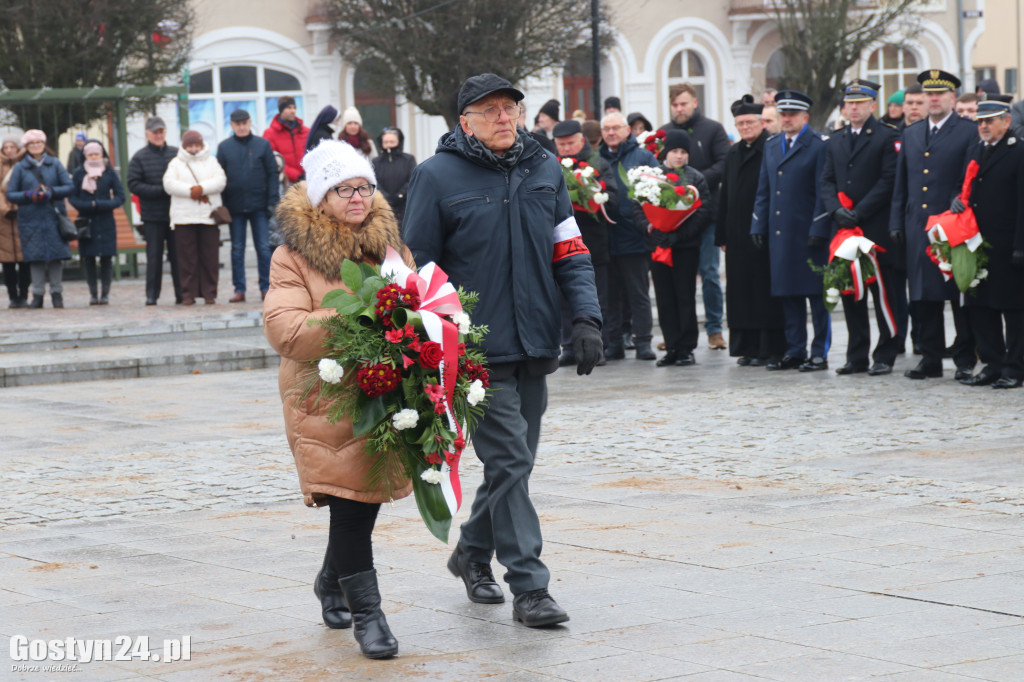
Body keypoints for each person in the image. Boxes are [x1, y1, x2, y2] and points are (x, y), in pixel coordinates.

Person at [403, 73, 602, 628]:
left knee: (515, 465)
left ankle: (471, 551)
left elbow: (571, 250)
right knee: (510, 459)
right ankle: (530, 588)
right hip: (473, 350)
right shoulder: (435, 176)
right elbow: (418, 270)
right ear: (463, 120)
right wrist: (433, 343)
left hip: (536, 339)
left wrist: (586, 316)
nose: (502, 117)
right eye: (488, 109)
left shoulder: (545, 168)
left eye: (510, 108)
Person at [264, 139, 411, 659]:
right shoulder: (292, 255)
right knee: (351, 505)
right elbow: (285, 330)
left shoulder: (388, 246)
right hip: (325, 397)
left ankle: (331, 580)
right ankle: (368, 616)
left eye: (365, 186)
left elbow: (414, 302)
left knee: (362, 502)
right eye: (345, 188)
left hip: (384, 390)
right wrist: (359, 311)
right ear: (322, 196)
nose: (358, 197)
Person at [890, 69, 978, 380]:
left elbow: (971, 174)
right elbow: (902, 183)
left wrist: (960, 198)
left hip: (952, 227)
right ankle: (930, 357)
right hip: (917, 226)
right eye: (929, 94)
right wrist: (896, 221)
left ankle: (965, 358)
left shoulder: (967, 131)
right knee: (923, 296)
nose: (934, 99)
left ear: (953, 98)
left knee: (958, 295)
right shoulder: (912, 133)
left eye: (940, 94)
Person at [820, 80, 901, 376]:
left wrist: (859, 211)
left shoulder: (885, 137)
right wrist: (836, 210)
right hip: (844, 228)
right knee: (850, 292)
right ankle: (857, 355)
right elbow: (826, 180)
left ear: (872, 105)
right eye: (849, 103)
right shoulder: (837, 138)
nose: (853, 108)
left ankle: (886, 353)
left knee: (882, 294)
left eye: (860, 102)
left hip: (874, 228)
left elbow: (888, 180)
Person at [751, 90, 831, 371]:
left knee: (818, 297)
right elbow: (764, 190)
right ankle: (795, 349)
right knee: (788, 295)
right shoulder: (772, 145)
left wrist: (820, 226)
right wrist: (758, 224)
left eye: (792, 114)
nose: (786, 119)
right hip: (781, 234)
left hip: (809, 233)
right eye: (783, 114)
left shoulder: (819, 145)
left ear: (805, 117)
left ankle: (819, 352)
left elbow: (824, 191)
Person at [953, 96, 1024, 388]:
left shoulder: (1018, 151)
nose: (983, 126)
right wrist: (955, 202)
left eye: (989, 121)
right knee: (980, 307)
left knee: (1014, 309)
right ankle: (992, 363)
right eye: (980, 121)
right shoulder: (974, 150)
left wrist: (1021, 245)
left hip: (1008, 243)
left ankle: (1015, 367)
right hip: (975, 244)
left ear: (1006, 122)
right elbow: (963, 189)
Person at [658, 83, 731, 350]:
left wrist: (692, 185)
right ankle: (673, 331)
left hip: (706, 214)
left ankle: (714, 329)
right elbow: (657, 167)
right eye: (675, 104)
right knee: (674, 278)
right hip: (672, 219)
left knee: (709, 272)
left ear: (695, 103)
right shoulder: (665, 132)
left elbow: (724, 164)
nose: (679, 109)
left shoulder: (713, 129)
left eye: (684, 104)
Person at [715, 95, 786, 366]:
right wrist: (721, 234)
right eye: (739, 123)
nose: (744, 127)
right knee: (740, 292)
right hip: (736, 234)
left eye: (749, 122)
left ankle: (768, 347)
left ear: (761, 123)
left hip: (763, 232)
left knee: (762, 291)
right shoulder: (733, 153)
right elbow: (726, 196)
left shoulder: (771, 147)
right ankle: (747, 347)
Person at [633, 129, 712, 367]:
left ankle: (686, 348)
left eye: (683, 152)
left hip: (685, 247)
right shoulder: (652, 177)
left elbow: (703, 211)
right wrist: (651, 228)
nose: (679, 156)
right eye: (675, 151)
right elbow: (638, 205)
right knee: (665, 298)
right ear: (666, 152)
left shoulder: (695, 178)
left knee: (685, 296)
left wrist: (678, 235)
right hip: (658, 246)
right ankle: (671, 346)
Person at [552, 119, 616, 363]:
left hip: (593, 242)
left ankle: (598, 347)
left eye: (570, 143)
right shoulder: (551, 165)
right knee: (563, 299)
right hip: (561, 245)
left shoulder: (598, 164)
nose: (566, 148)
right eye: (561, 144)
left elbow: (612, 200)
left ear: (581, 140)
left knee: (596, 298)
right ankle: (569, 347)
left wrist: (588, 197)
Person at [600, 110, 659, 360]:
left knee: (638, 293)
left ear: (627, 130)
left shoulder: (643, 156)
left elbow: (657, 188)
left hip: (634, 237)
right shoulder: (596, 160)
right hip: (606, 238)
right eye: (607, 129)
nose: (611, 133)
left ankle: (643, 341)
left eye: (616, 128)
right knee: (610, 295)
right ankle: (614, 342)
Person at [5, 130, 73, 309]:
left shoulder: (55, 163)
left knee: (56, 257)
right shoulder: (20, 167)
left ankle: (57, 293)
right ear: (26, 147)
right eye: (32, 143)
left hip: (53, 216)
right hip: (30, 218)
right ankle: (37, 295)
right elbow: (11, 194)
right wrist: (29, 195)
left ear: (44, 144)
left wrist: (52, 192)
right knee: (35, 258)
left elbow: (68, 186)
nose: (36, 146)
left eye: (39, 142)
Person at [217, 108, 279, 302]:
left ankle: (266, 287)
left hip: (260, 206)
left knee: (263, 247)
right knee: (237, 249)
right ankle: (239, 289)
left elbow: (273, 174)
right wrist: (223, 204)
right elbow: (219, 176)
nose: (242, 127)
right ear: (232, 125)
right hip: (235, 207)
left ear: (250, 123)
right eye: (238, 124)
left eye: (244, 123)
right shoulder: (224, 147)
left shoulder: (262, 145)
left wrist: (272, 201)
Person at [163, 130, 227, 305]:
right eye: (190, 145)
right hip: (184, 217)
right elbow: (168, 184)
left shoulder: (211, 161)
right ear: (184, 146)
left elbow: (220, 180)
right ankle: (187, 294)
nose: (193, 148)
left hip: (208, 217)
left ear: (201, 145)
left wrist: (202, 188)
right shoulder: (176, 163)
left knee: (210, 257)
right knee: (186, 259)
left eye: (196, 145)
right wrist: (191, 191)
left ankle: (209, 293)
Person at [129, 116, 181, 306]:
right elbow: (133, 184)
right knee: (154, 258)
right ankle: (152, 295)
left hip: (175, 214)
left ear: (165, 132)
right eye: (155, 132)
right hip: (152, 215)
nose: (159, 135)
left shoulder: (176, 154)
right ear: (147, 134)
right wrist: (160, 190)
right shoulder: (139, 157)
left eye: (161, 131)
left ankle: (181, 294)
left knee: (178, 257)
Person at [69, 140, 125, 305]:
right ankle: (93, 294)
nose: (94, 157)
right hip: (86, 221)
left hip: (106, 219)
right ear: (85, 156)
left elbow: (120, 196)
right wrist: (87, 206)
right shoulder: (79, 173)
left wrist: (102, 204)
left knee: (107, 259)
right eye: (90, 154)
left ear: (102, 155)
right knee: (89, 258)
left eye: (97, 154)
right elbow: (72, 197)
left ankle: (105, 294)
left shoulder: (109, 173)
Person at [0, 134, 30, 308]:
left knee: (25, 260)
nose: (9, 150)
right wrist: (5, 209)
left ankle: (24, 295)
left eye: (12, 147)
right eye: (6, 147)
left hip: (22, 215)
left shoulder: (24, 164)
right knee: (8, 262)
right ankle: (13, 297)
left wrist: (18, 206)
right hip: (3, 219)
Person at [371, 127, 416, 223]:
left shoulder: (408, 160)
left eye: (392, 142)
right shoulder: (376, 162)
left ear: (399, 142)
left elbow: (412, 179)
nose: (388, 145)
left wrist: (400, 195)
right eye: (386, 142)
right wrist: (385, 196)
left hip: (405, 205)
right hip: (383, 205)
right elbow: (374, 181)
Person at [263, 96, 309, 185]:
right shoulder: (270, 134)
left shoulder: (306, 131)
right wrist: (297, 175)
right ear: (281, 110)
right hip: (285, 183)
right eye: (289, 108)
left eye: (294, 108)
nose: (293, 111)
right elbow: (273, 161)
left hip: (308, 180)